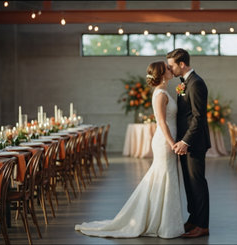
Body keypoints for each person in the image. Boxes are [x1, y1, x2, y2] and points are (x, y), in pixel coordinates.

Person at [75, 61, 184, 239]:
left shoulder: (165, 92)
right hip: (164, 141)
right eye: (168, 68)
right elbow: (162, 123)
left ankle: (164, 221)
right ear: (162, 74)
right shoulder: (160, 95)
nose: (171, 70)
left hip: (167, 140)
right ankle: (162, 223)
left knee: (167, 178)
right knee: (165, 177)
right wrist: (172, 143)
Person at [167, 48, 211, 238]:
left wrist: (185, 141)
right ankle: (193, 219)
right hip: (185, 143)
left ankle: (202, 225)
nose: (170, 69)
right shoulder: (185, 83)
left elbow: (198, 118)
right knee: (189, 183)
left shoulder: (196, 84)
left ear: (182, 64)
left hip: (194, 143)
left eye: (171, 66)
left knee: (197, 183)